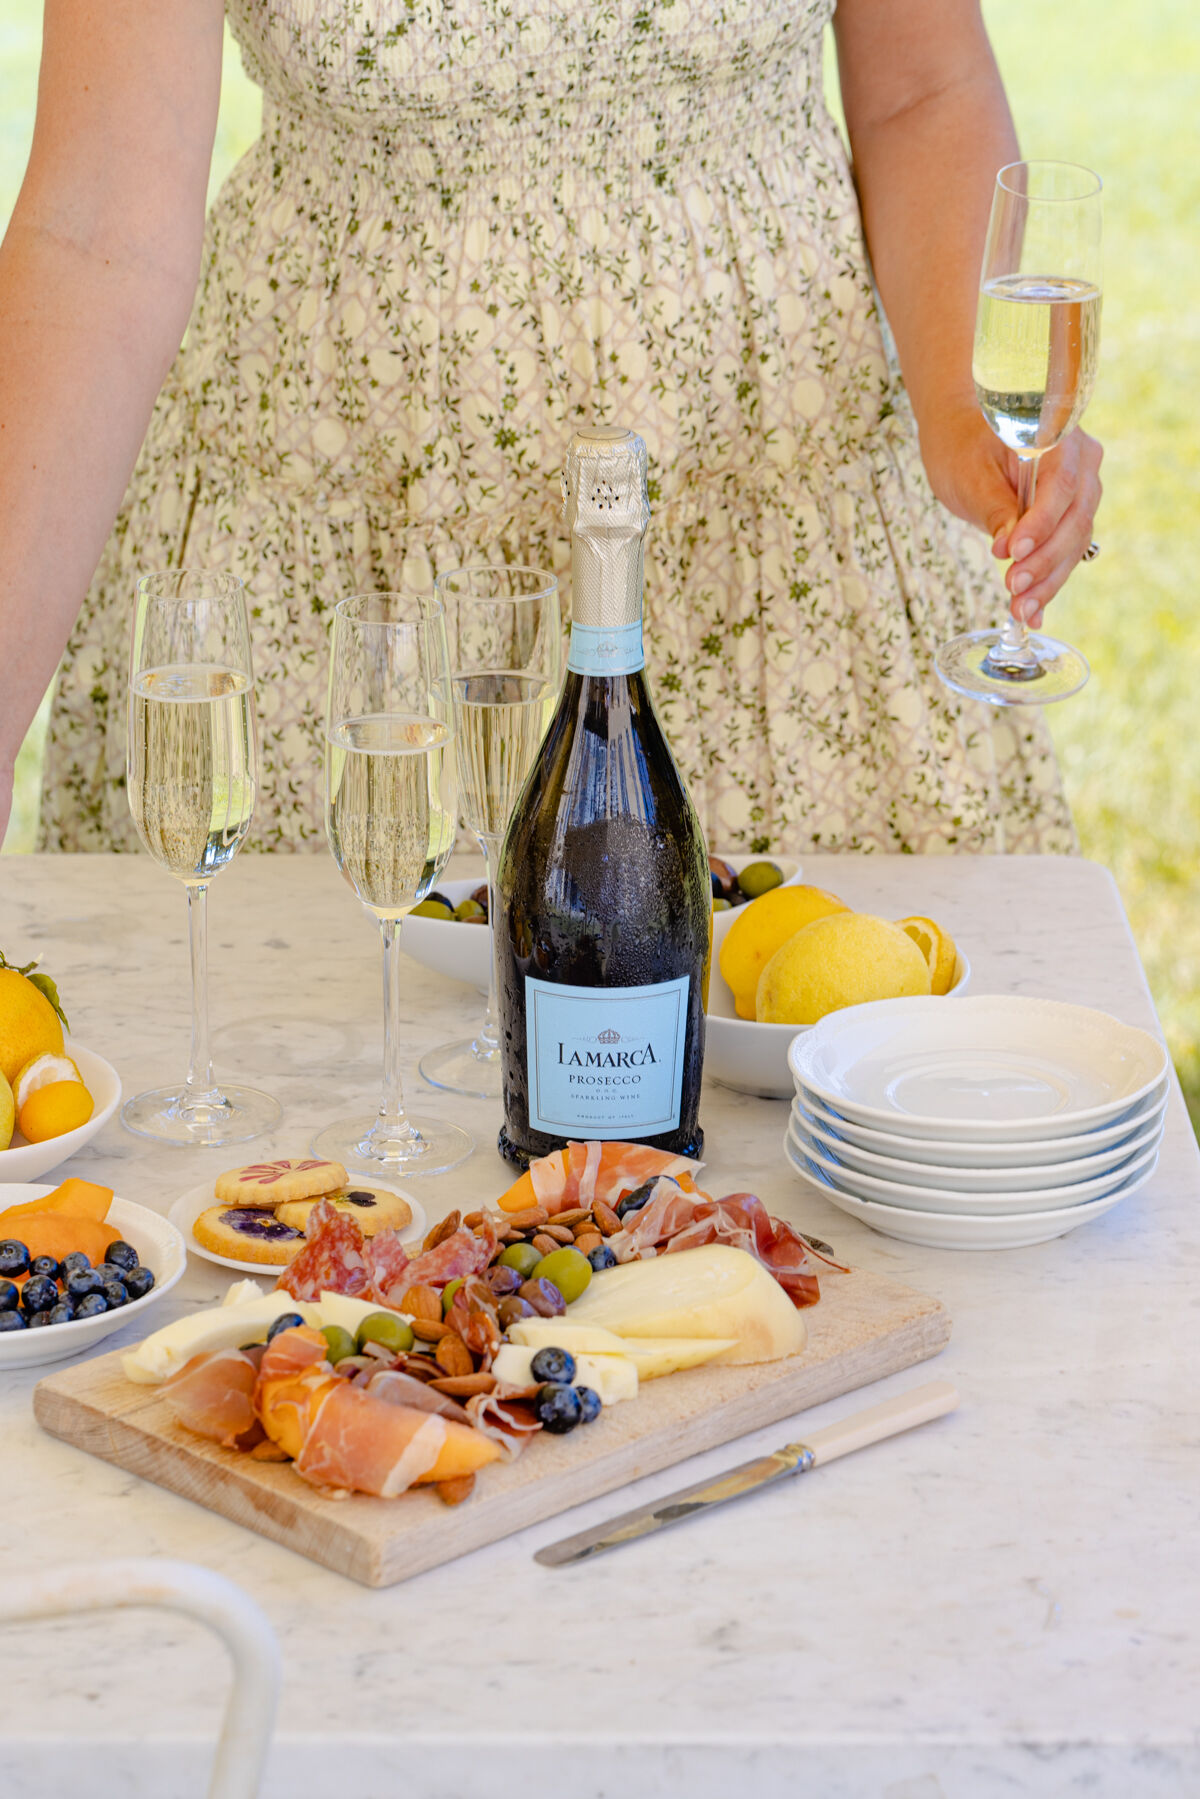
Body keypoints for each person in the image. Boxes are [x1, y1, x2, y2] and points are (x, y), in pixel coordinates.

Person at [0, 0, 1102, 856]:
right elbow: (97, 226)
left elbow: (923, 89)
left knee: (804, 1069)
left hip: (772, 558)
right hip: (348, 579)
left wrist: (963, 408)